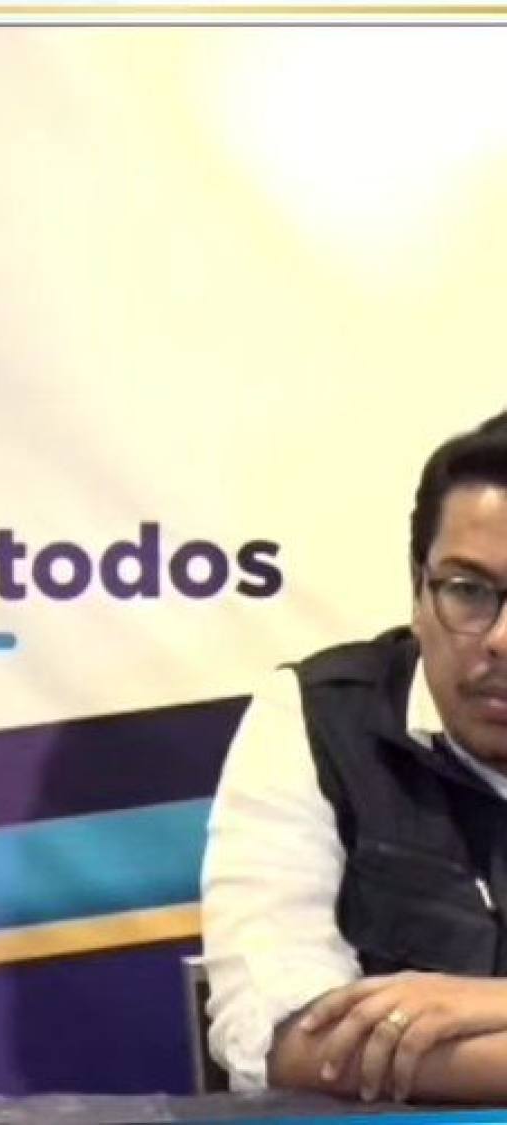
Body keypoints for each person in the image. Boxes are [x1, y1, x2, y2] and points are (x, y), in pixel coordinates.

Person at [204, 411, 507, 1104]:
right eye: (468, 590)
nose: (501, 639)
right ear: (418, 589)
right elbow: (283, 1031)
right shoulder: (315, 719)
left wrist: (485, 1001)